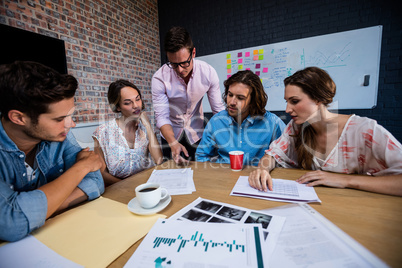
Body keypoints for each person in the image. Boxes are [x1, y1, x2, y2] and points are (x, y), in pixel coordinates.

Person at [248, 67, 402, 196]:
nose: (287, 109)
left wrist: (344, 180)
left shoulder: (365, 130)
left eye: (295, 101)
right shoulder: (296, 127)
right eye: (287, 102)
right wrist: (262, 169)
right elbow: (273, 154)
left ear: (318, 99)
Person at [0, 61, 104, 242]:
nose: (71, 124)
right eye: (60, 118)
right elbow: (11, 223)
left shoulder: (58, 136)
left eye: (70, 115)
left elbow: (96, 182)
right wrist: (80, 168)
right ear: (18, 118)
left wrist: (39, 209)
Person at [152, 26, 225, 164]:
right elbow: (162, 116)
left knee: (199, 174)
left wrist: (225, 138)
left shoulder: (208, 73)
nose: (179, 70)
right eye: (173, 64)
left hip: (197, 133)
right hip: (169, 135)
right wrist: (173, 142)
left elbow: (218, 110)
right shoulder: (159, 78)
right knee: (171, 175)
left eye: (184, 63)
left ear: (193, 53)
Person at [195, 70, 285, 166]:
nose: (232, 102)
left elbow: (285, 157)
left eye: (240, 98)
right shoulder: (216, 121)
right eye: (230, 95)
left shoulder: (272, 122)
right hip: (224, 176)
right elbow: (201, 156)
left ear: (253, 100)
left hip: (258, 177)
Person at [93, 80, 163, 186]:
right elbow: (102, 173)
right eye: (127, 103)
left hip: (145, 185)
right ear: (117, 107)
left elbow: (158, 160)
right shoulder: (103, 132)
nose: (136, 105)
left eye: (138, 99)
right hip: (116, 189)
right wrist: (129, 186)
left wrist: (148, 125)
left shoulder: (144, 129)